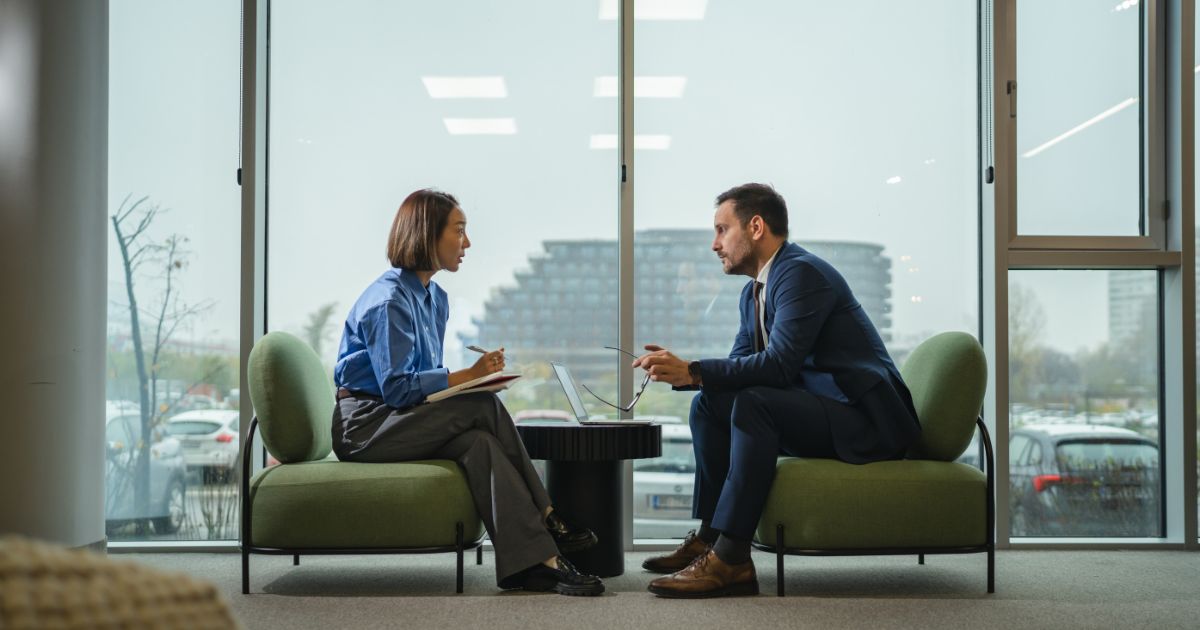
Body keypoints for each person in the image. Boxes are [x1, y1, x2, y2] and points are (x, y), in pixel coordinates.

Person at [633, 183, 922, 599]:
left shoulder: (800, 273)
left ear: (755, 227)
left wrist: (694, 370)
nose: (715, 245)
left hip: (865, 419)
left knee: (754, 403)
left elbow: (780, 365)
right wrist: (691, 377)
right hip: (820, 409)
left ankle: (731, 558)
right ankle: (712, 537)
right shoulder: (753, 293)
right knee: (709, 405)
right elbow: (737, 370)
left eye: (721, 230)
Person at [330, 188, 604, 596]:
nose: (467, 243)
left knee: (480, 444)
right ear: (427, 234)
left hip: (401, 420)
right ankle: (548, 516)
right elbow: (400, 389)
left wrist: (471, 378)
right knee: (482, 402)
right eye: (459, 231)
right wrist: (466, 379)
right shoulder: (388, 301)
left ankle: (533, 564)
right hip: (366, 427)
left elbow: (423, 386)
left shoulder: (435, 299)